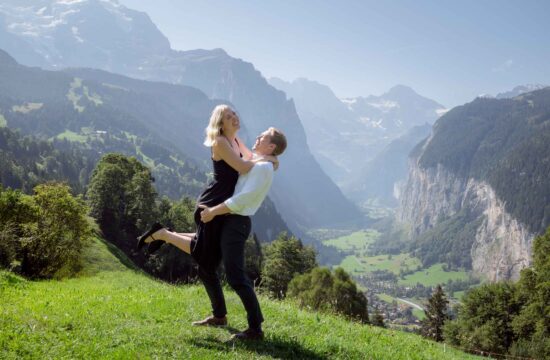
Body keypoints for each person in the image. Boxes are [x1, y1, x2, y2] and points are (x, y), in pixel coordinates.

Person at [139, 127, 287, 341]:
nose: (257, 137)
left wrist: (213, 211)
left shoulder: (264, 167)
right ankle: (219, 317)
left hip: (236, 221)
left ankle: (256, 329)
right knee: (206, 264)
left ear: (271, 145)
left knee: (236, 276)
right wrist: (231, 132)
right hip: (229, 218)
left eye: (262, 137)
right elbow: (245, 152)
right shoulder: (260, 160)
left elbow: (243, 199)